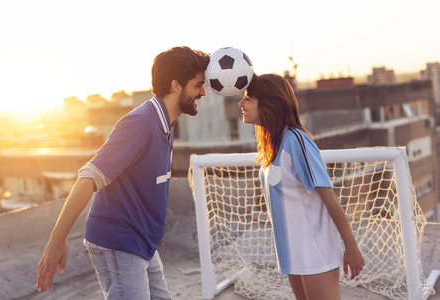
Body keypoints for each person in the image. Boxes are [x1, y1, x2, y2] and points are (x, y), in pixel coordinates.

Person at [36, 46, 210, 299]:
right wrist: (57, 238)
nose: (203, 92)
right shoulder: (141, 123)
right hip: (119, 243)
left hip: (144, 244)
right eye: (198, 85)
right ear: (175, 85)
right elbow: (89, 176)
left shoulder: (165, 123)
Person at [238, 73, 364, 300]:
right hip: (291, 254)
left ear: (269, 103)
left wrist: (351, 247)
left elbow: (329, 198)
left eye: (248, 99)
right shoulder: (273, 146)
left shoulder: (296, 141)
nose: (241, 104)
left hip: (315, 252)